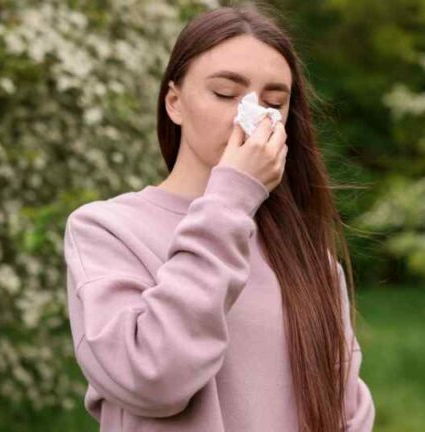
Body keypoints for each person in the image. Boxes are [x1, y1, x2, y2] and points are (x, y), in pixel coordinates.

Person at [63, 4, 375, 431]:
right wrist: (231, 199)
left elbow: (346, 413)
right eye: (226, 94)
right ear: (175, 103)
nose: (252, 116)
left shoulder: (310, 261)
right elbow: (151, 378)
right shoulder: (107, 231)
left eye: (274, 102)